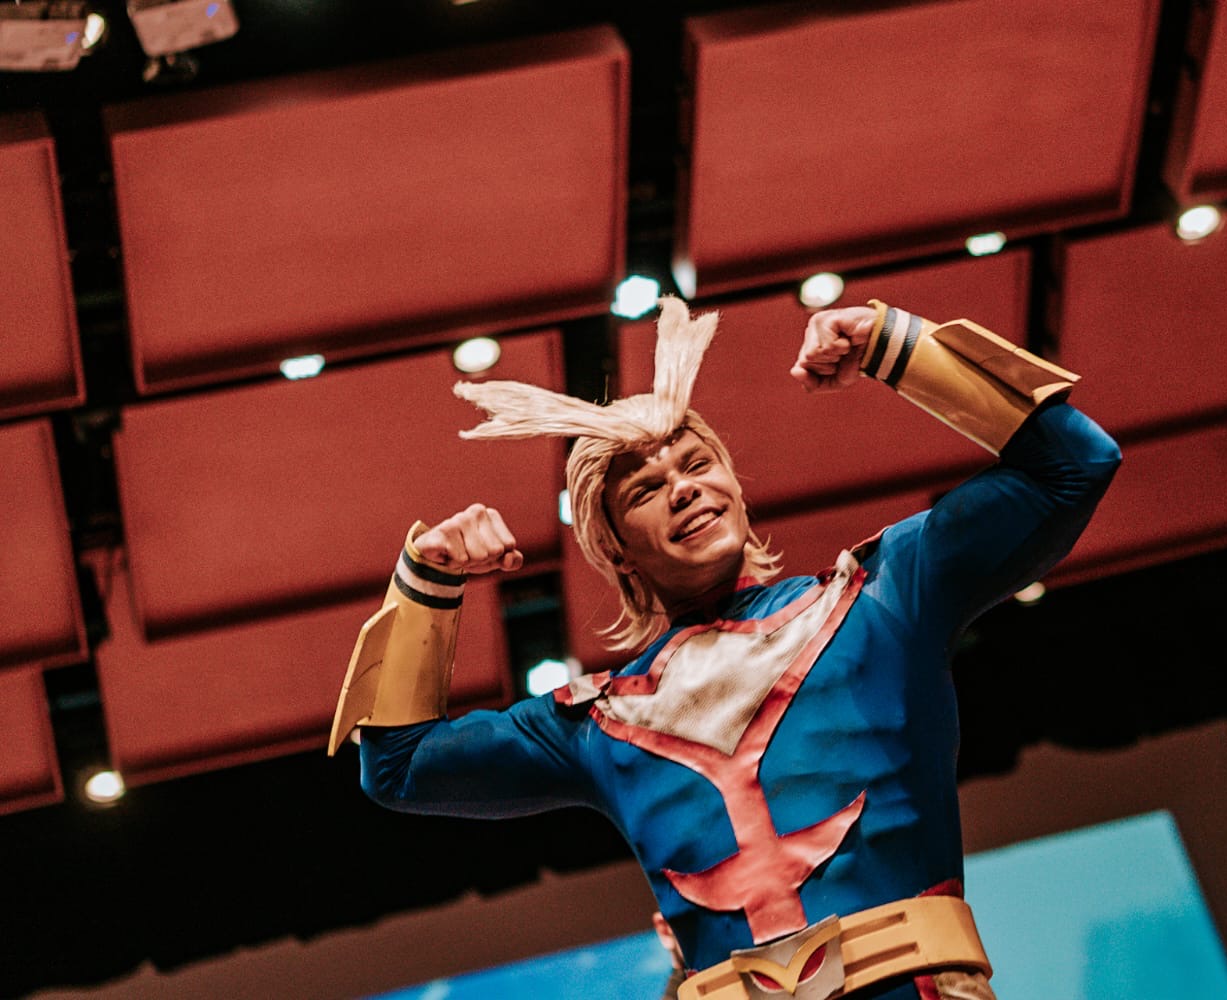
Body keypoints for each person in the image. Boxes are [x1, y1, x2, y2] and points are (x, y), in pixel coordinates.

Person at [329, 298, 1121, 1000]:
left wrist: (896, 345)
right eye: (645, 490)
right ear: (616, 551)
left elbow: (1074, 466)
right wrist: (427, 576)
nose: (683, 488)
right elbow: (399, 767)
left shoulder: (880, 599)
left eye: (698, 464)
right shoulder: (594, 722)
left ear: (736, 487)